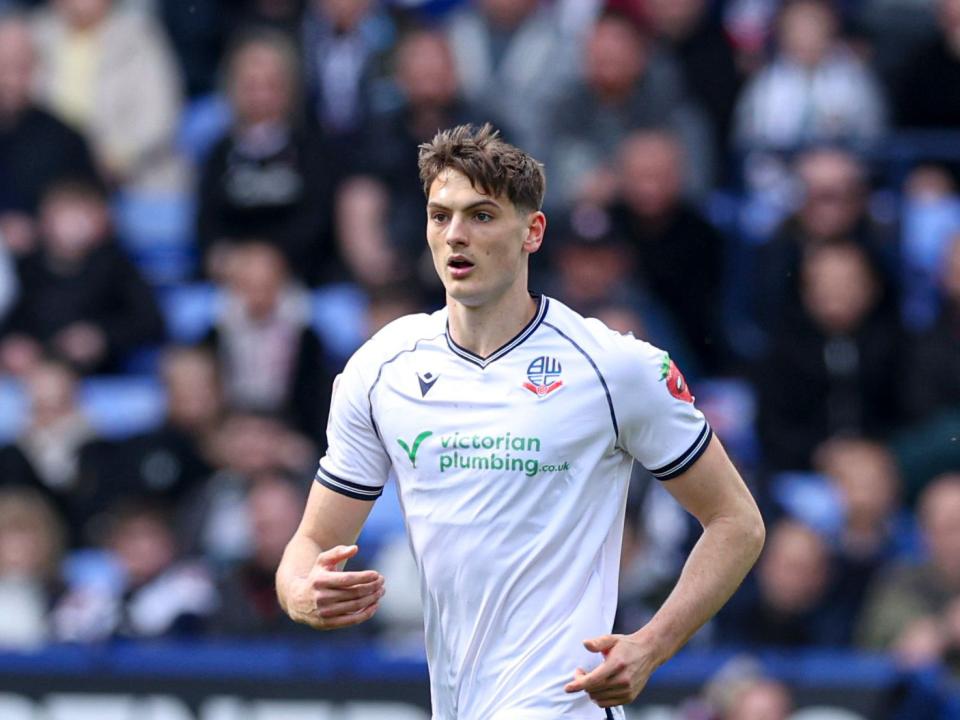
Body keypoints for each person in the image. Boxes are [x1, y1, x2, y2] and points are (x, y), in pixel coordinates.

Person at [275, 124, 765, 717]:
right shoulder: (381, 369)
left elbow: (737, 522)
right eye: (440, 216)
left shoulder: (615, 367)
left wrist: (651, 646)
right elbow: (313, 542)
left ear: (532, 231)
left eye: (481, 216)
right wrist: (301, 593)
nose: (455, 235)